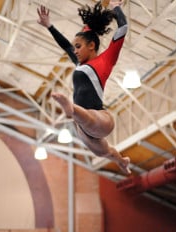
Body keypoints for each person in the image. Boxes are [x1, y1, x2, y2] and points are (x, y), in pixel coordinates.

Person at [37, 1, 131, 175]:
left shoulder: (105, 61)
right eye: (75, 48)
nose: (75, 51)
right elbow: (66, 45)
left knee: (89, 119)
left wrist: (115, 7)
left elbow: (123, 27)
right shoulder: (79, 64)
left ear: (92, 46)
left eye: (78, 47)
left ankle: (70, 109)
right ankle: (122, 161)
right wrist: (49, 25)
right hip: (84, 129)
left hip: (100, 119)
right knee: (104, 152)